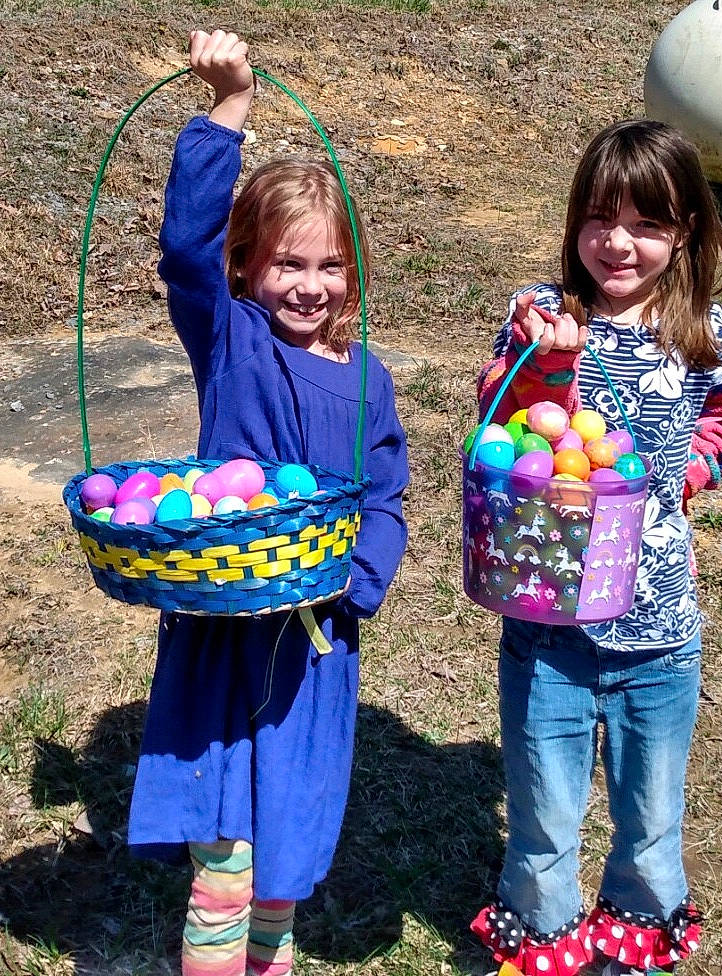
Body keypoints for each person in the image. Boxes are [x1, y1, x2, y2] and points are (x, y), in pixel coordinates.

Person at [127, 30, 408, 976]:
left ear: (352, 278)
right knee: (224, 863)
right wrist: (229, 109)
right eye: (287, 265)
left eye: (330, 268)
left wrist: (355, 584)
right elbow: (183, 245)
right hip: (222, 635)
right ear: (247, 268)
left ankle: (270, 956)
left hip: (313, 650)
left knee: (281, 861)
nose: (310, 286)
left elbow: (387, 491)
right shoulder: (230, 339)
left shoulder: (366, 376)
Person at [470, 120, 722, 976]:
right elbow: (498, 421)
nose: (619, 242)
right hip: (547, 627)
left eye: (647, 223)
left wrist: (695, 466)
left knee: (651, 814)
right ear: (574, 221)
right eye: (600, 217)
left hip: (660, 630)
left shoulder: (705, 333)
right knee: (541, 813)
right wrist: (542, 362)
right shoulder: (541, 314)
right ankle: (543, 935)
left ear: (684, 231)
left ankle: (633, 937)